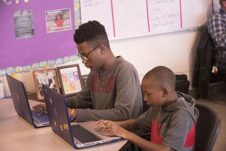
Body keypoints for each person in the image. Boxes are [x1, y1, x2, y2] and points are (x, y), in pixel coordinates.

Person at [33, 20, 143, 122]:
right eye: (81, 56)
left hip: (125, 138)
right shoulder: (94, 72)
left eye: (85, 55)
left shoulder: (125, 70)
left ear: (101, 49)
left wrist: (75, 113)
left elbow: (122, 114)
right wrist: (56, 104)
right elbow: (81, 100)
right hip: (103, 131)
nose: (83, 61)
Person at [97, 66, 199, 151]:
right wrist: (113, 124)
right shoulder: (159, 106)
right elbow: (137, 123)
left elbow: (164, 149)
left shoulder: (181, 115)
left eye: (148, 94)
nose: (145, 98)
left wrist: (126, 134)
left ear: (164, 92)